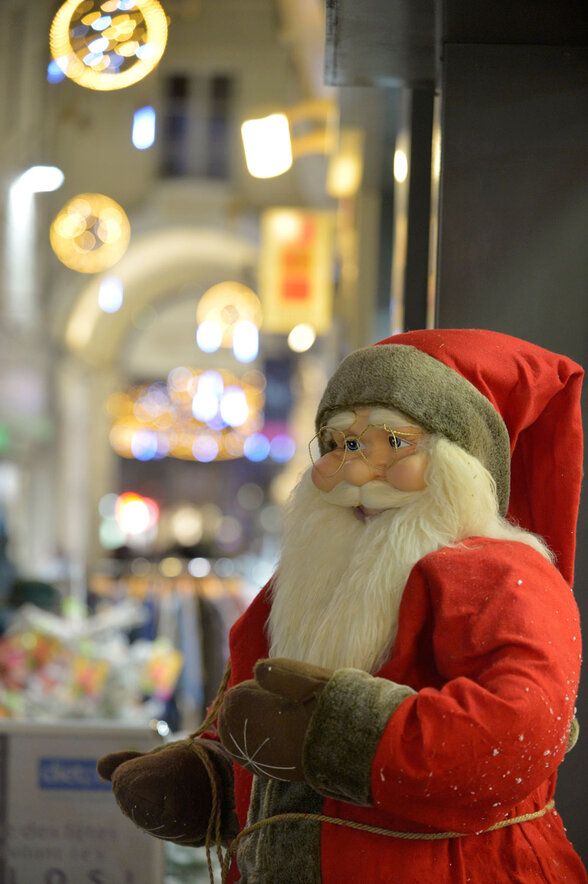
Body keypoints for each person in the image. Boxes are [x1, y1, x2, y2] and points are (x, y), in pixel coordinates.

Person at [98, 329, 587, 883]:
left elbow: (517, 732)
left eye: (392, 443)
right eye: (339, 444)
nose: (353, 470)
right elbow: (263, 708)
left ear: (460, 463)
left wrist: (341, 734)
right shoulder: (310, 573)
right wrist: (206, 777)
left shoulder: (504, 575)